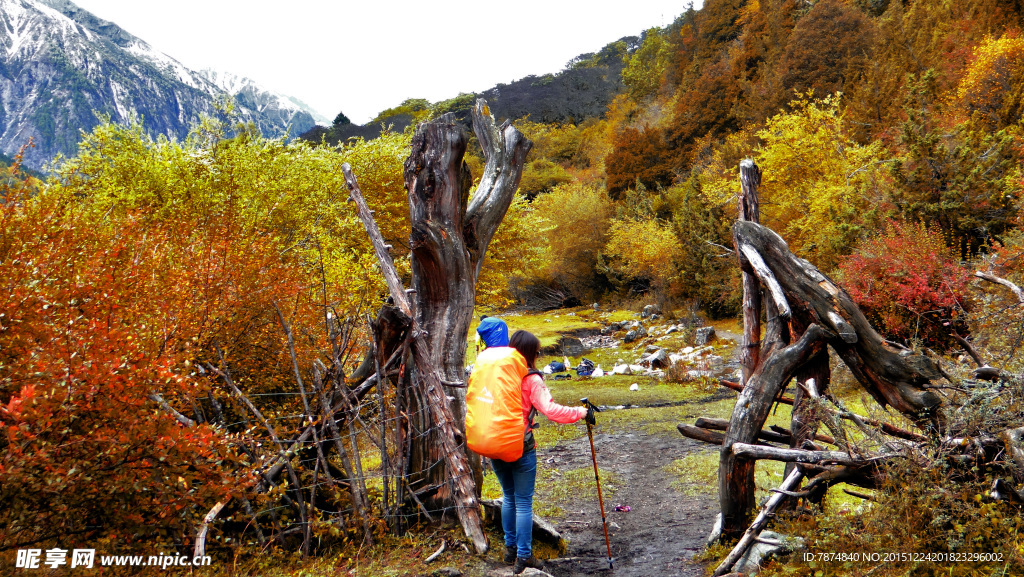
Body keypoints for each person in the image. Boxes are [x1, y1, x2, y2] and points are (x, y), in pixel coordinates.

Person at [493, 329, 595, 574]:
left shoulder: (498, 374)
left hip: (494, 443)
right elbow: (550, 411)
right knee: (523, 502)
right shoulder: (531, 379)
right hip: (521, 445)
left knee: (508, 496)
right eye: (537, 352)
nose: (538, 356)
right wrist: (580, 413)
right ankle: (524, 557)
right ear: (530, 353)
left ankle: (510, 550)